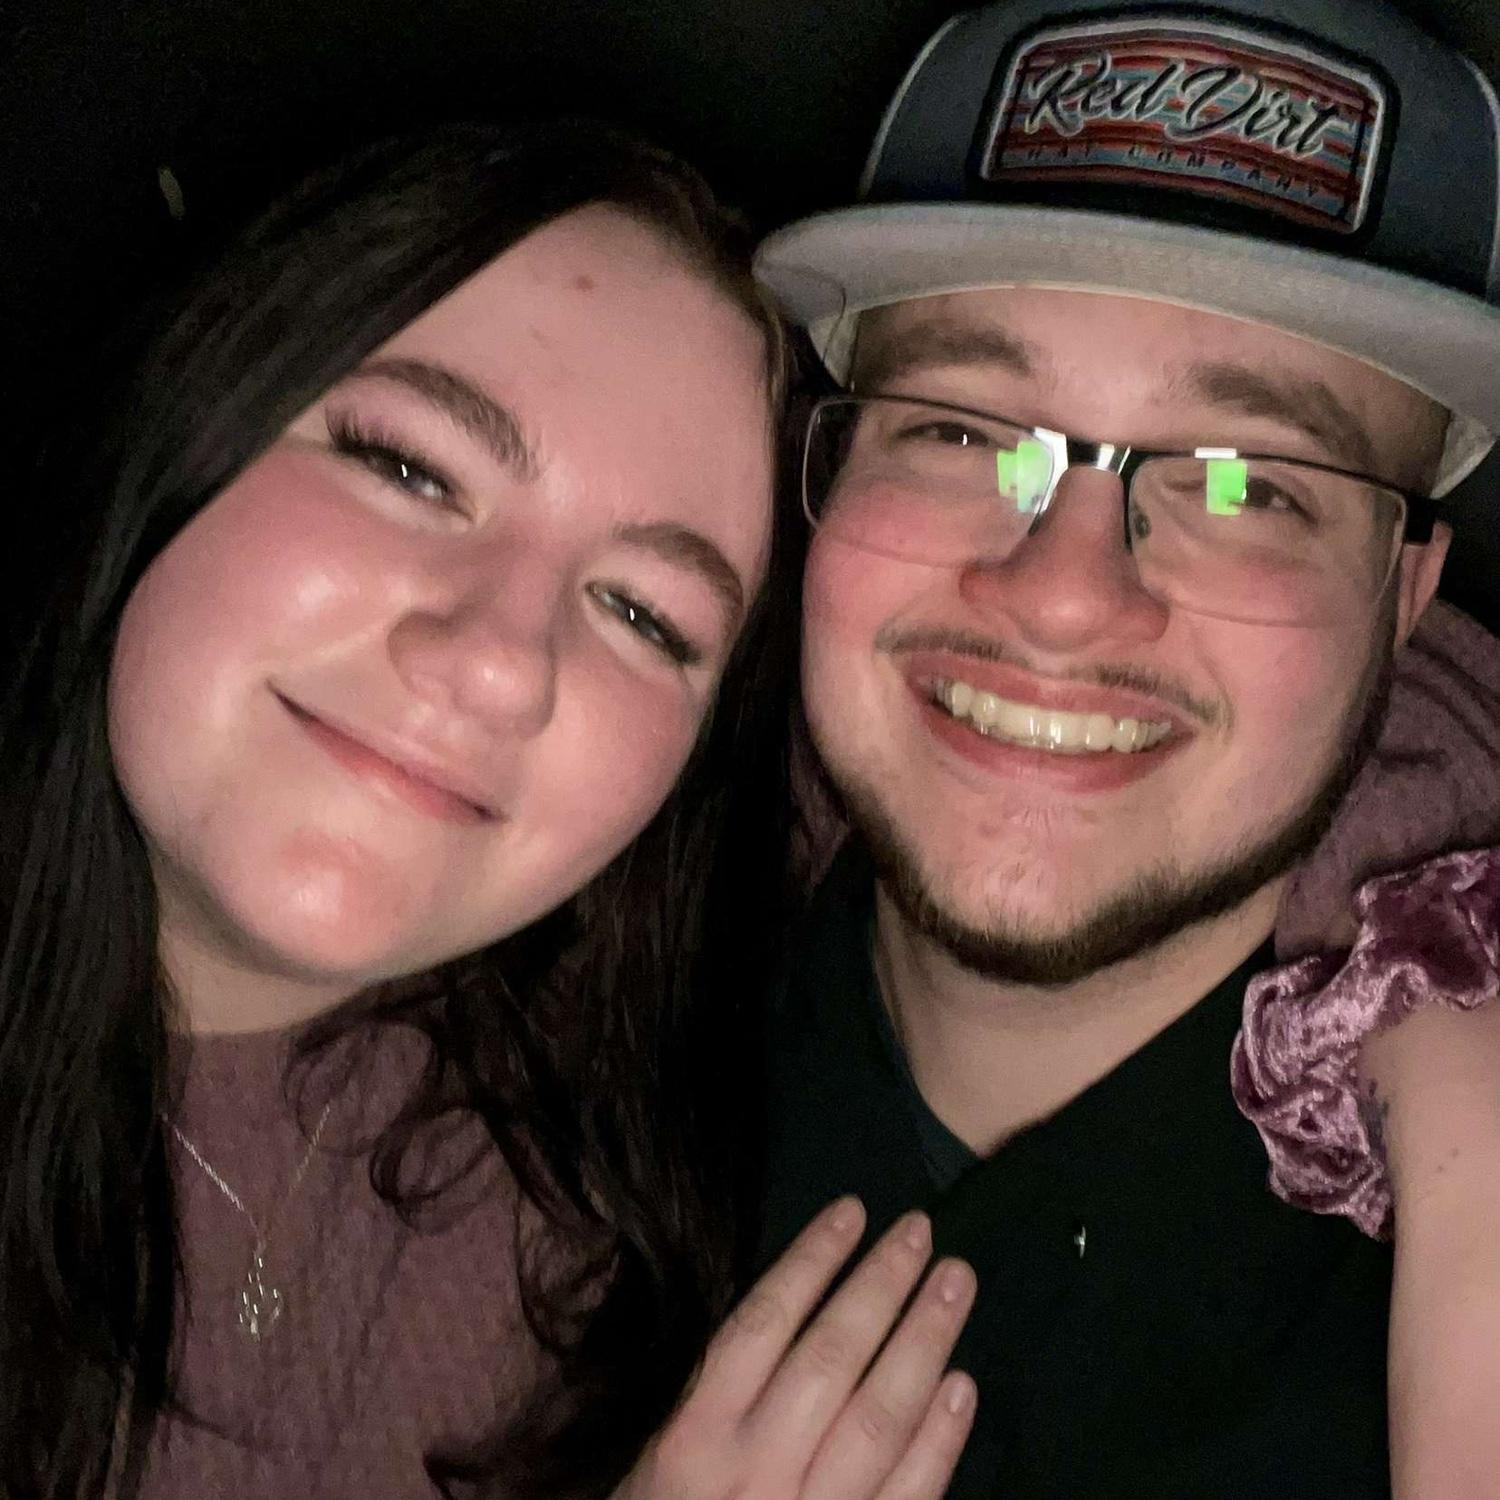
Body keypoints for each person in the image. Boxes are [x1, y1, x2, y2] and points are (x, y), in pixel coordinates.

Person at [0, 120, 982, 1500]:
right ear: (181, 417)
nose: (500, 664)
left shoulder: (624, 1033)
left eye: (646, 614)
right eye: (409, 468)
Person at [751, 0, 1500, 1493]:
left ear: (1405, 595)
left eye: (1248, 487)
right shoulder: (562, 1012)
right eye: (964, 431)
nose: (1065, 593)